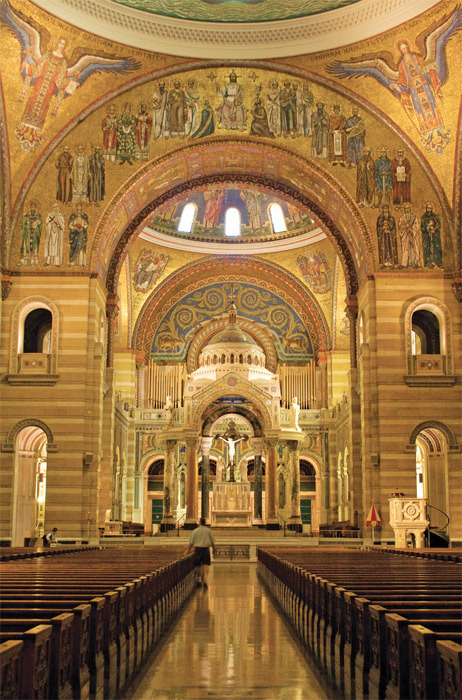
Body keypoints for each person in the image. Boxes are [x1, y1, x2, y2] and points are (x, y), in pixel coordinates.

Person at [184, 518, 216, 588]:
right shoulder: (208, 531)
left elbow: (191, 543)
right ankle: (205, 578)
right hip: (205, 549)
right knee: (206, 564)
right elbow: (212, 542)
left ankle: (198, 579)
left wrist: (186, 551)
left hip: (198, 549)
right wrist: (214, 549)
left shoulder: (195, 531)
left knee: (197, 565)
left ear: (199, 523)